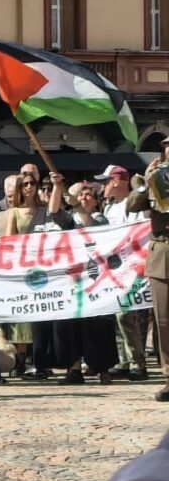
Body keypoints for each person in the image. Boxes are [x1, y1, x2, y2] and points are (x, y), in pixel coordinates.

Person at [0, 171, 72, 379]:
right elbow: (10, 240)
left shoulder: (44, 210)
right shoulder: (14, 212)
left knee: (44, 316)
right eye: (25, 184)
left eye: (33, 183)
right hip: (25, 269)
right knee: (28, 317)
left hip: (46, 270)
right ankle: (27, 359)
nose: (29, 187)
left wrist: (57, 186)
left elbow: (55, 211)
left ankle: (43, 361)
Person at [52, 183, 117, 386]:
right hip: (74, 281)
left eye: (89, 195)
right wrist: (56, 186)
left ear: (96, 201)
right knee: (72, 326)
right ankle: (74, 369)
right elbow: (54, 212)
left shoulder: (101, 219)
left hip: (97, 281)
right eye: (81, 195)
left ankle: (103, 369)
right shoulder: (70, 219)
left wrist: (80, 210)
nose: (84, 198)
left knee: (100, 326)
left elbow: (91, 228)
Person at [97, 165, 151, 382]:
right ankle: (124, 360)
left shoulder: (133, 205)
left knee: (129, 315)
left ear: (116, 181)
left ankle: (138, 362)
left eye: (105, 182)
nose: (103, 186)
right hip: (115, 268)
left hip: (133, 266)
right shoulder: (110, 208)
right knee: (117, 314)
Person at [130, 139, 169, 401]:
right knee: (164, 321)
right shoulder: (155, 179)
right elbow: (131, 205)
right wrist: (146, 181)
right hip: (163, 254)